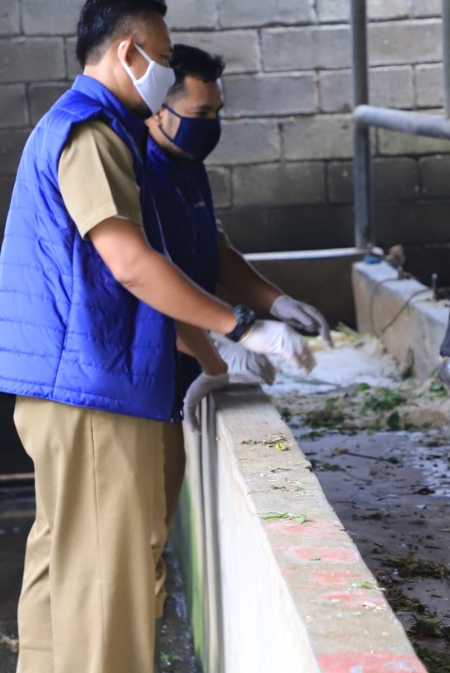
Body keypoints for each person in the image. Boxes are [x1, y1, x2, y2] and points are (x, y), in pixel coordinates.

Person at [0, 0, 314, 673]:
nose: (162, 73)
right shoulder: (92, 134)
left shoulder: (96, 132)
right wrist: (240, 327)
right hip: (94, 383)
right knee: (110, 579)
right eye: (160, 59)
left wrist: (238, 324)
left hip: (64, 383)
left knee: (64, 561)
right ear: (128, 52)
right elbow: (131, 265)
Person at [141, 43, 331, 596]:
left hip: (186, 368)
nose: (212, 127)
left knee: (153, 528)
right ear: (158, 111)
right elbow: (149, 283)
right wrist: (224, 343)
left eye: (217, 113)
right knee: (140, 534)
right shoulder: (140, 175)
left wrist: (276, 303)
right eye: (201, 116)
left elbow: (215, 251)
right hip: (157, 367)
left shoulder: (185, 165)